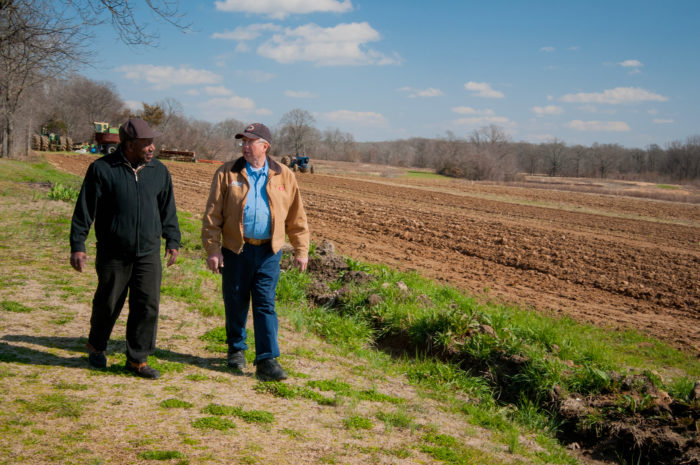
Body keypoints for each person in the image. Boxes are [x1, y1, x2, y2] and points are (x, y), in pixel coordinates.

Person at [69, 117, 181, 379]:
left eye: (153, 142)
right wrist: (78, 244)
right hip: (113, 253)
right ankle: (97, 346)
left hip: (148, 253)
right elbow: (84, 210)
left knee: (147, 306)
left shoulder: (159, 171)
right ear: (129, 145)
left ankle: (137, 360)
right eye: (146, 143)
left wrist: (173, 240)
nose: (152, 147)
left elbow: (168, 209)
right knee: (108, 303)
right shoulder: (102, 169)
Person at [202, 122, 309, 381]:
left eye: (250, 142)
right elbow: (212, 215)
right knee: (236, 301)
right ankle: (236, 349)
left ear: (265, 146)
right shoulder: (228, 172)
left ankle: (267, 359)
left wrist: (301, 249)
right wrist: (213, 250)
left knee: (265, 304)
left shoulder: (284, 175)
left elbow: (297, 217)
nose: (245, 146)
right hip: (236, 250)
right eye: (243, 142)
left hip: (269, 253)